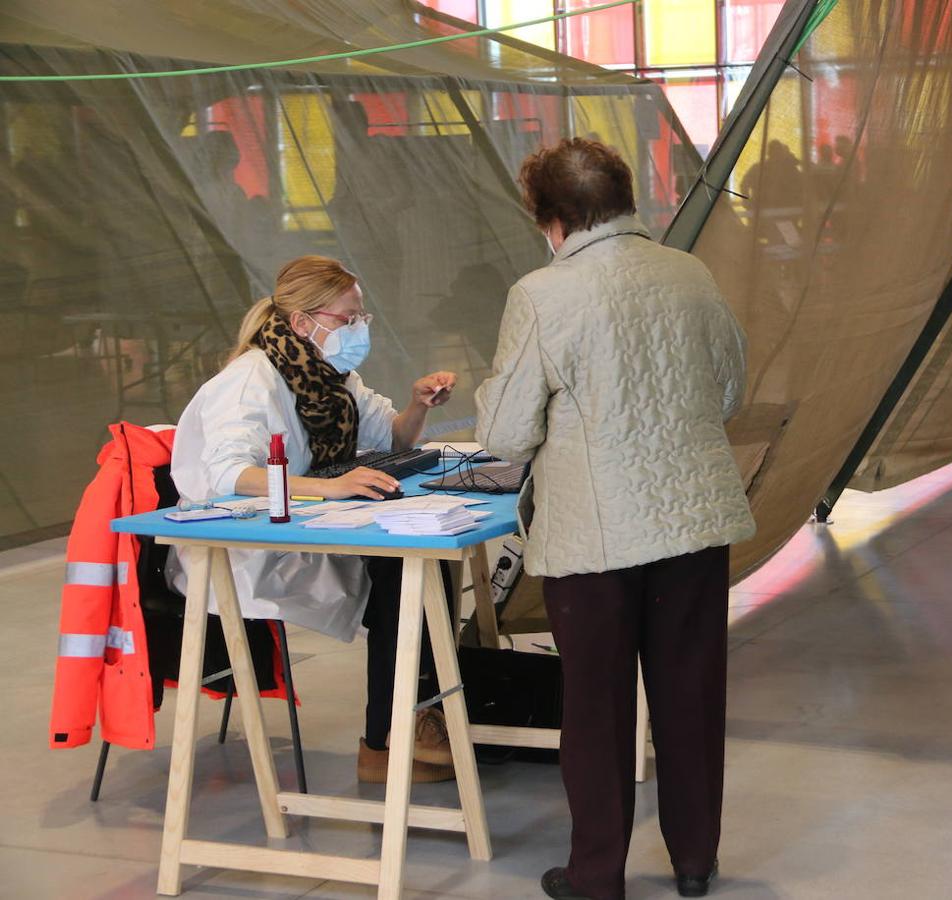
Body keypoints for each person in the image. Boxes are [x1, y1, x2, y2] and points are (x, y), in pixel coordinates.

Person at [475, 139, 755, 900]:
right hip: (694, 517)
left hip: (596, 535)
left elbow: (503, 434)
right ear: (628, 199)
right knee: (690, 696)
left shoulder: (543, 293)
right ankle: (695, 861)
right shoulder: (691, 272)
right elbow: (730, 389)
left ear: (553, 219)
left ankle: (597, 875)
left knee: (596, 709)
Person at [171, 255, 460, 783]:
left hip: (307, 520)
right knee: (405, 570)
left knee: (426, 557)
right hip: (245, 542)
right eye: (348, 319)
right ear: (305, 322)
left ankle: (421, 715)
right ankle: (388, 738)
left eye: (361, 317)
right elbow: (231, 475)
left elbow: (388, 438)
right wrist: (331, 487)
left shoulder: (332, 375)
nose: (358, 328)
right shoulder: (250, 381)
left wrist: (419, 405)